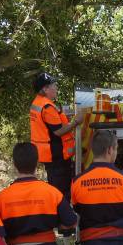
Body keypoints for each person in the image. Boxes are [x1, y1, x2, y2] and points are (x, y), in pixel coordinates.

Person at [29, 72, 83, 202]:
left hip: (49, 156)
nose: (56, 88)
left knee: (56, 190)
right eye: (53, 85)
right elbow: (58, 131)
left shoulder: (38, 103)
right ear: (45, 89)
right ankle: (63, 219)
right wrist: (76, 122)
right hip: (57, 157)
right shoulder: (47, 107)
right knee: (61, 194)